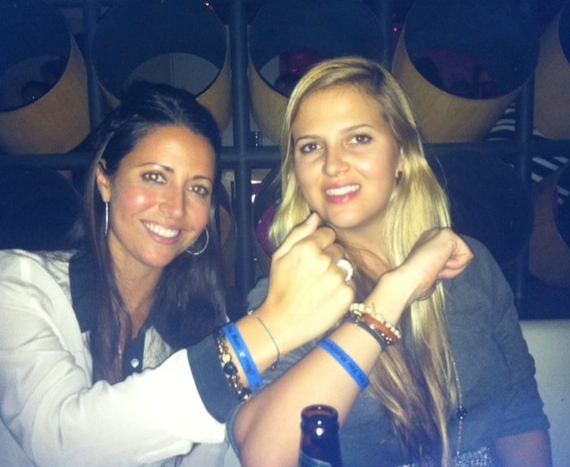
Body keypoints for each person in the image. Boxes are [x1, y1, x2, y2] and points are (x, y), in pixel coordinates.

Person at [0, 81, 356, 466]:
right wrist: (271, 326)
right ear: (105, 180)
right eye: (154, 177)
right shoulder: (11, 285)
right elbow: (61, 444)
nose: (176, 208)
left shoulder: (197, 323)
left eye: (198, 188)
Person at [230, 57, 551, 467]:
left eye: (358, 138)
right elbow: (266, 454)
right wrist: (397, 289)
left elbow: (520, 414)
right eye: (310, 146)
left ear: (401, 153)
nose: (332, 164)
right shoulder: (288, 293)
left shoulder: (470, 264)